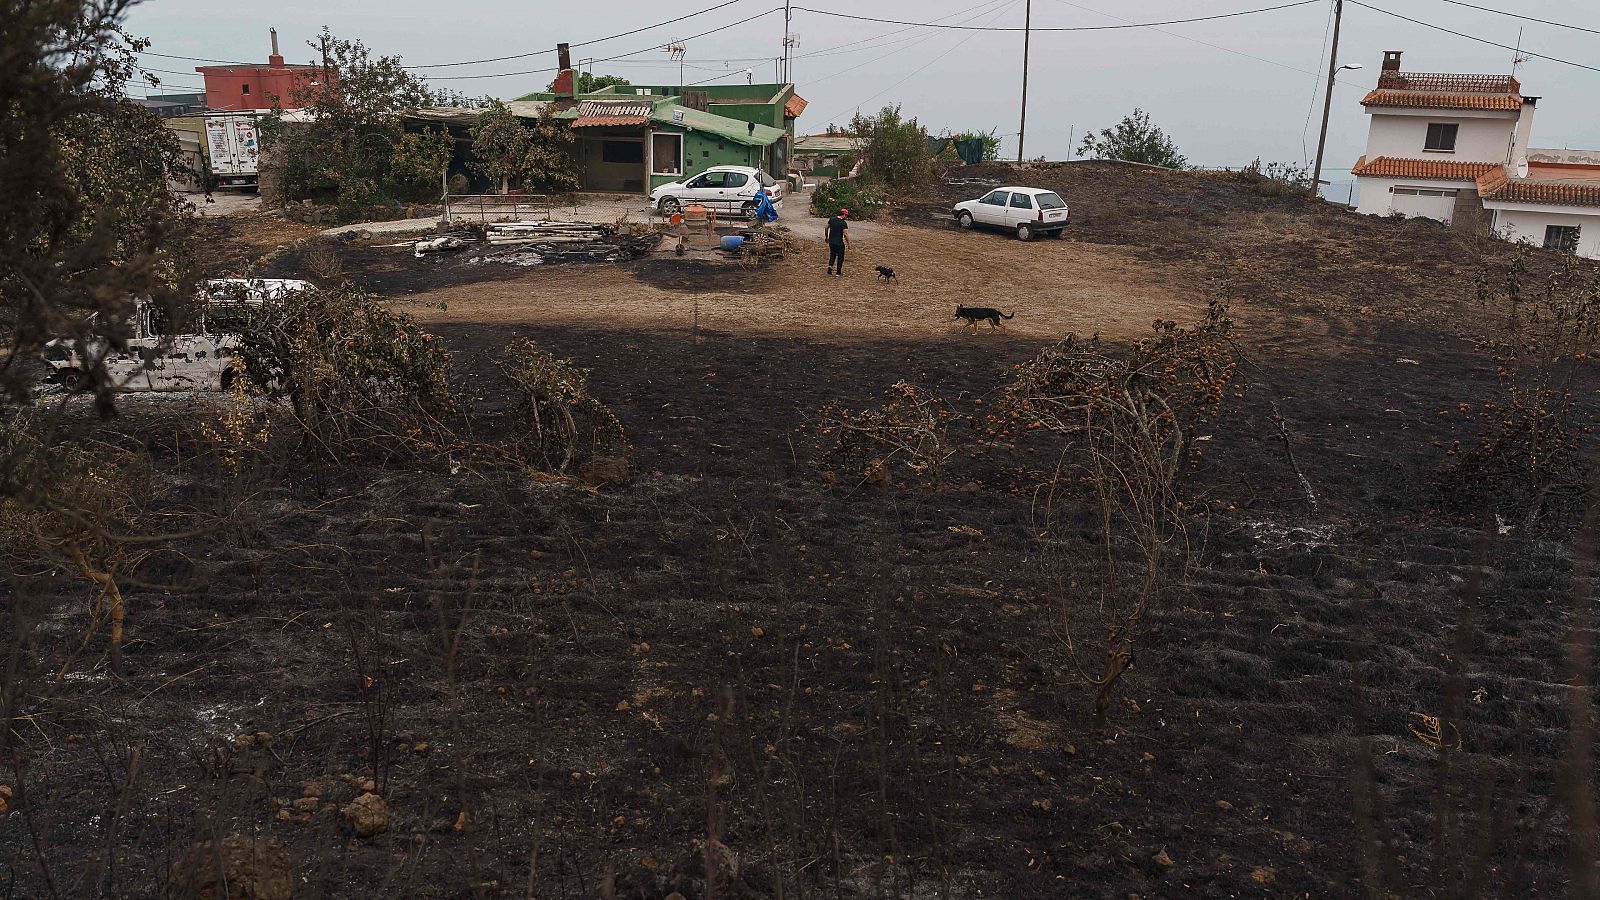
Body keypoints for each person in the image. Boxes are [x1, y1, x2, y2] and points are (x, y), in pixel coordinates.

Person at [825, 207, 849, 276]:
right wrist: (848, 243)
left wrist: (826, 237)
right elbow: (845, 234)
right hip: (839, 243)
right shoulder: (843, 223)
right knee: (841, 257)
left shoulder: (832, 219)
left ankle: (830, 266)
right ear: (844, 215)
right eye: (846, 216)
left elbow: (826, 228)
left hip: (831, 241)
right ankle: (838, 272)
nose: (846, 217)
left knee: (832, 254)